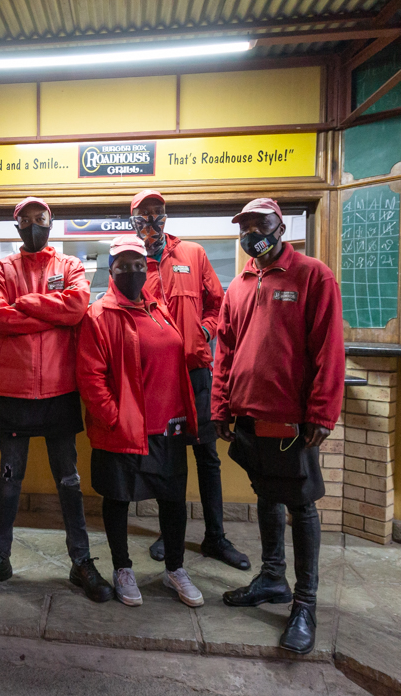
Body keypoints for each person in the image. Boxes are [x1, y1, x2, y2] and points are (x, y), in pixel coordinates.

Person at [211, 199, 344, 654]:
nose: (252, 233)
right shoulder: (240, 283)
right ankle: (272, 577)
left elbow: (330, 348)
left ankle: (304, 604)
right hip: (249, 412)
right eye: (245, 226)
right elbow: (224, 352)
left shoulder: (312, 275)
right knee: (266, 494)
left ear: (280, 226)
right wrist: (221, 406)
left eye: (260, 224)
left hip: (292, 418)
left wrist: (322, 413)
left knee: (300, 505)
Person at [0, 197, 112, 603]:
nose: (34, 225)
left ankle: (80, 560)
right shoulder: (0, 269)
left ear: (51, 222)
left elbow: (76, 307)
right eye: (26, 221)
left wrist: (25, 304)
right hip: (13, 389)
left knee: (69, 480)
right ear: (17, 228)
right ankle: (0, 558)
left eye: (40, 219)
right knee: (8, 480)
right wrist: (48, 313)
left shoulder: (69, 266)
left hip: (59, 389)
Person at [77, 235, 204, 608]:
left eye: (137, 265)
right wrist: (115, 418)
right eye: (123, 266)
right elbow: (90, 377)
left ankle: (175, 569)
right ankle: (122, 568)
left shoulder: (158, 308)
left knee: (172, 501)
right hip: (124, 430)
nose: (131, 272)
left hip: (169, 427)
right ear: (111, 270)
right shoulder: (98, 315)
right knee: (118, 499)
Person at [129, 189, 250, 571]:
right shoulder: (130, 262)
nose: (152, 218)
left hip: (197, 371)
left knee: (207, 456)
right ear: (133, 220)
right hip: (159, 378)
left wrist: (205, 330)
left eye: (158, 211)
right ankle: (172, 532)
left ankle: (216, 537)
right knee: (170, 460)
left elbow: (218, 301)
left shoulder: (192, 254)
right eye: (144, 213)